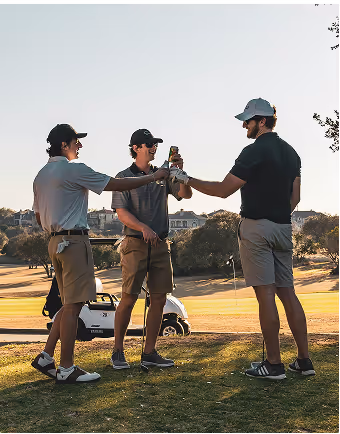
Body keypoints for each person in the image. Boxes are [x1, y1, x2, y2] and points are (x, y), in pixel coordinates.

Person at [170, 98, 315, 380]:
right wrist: (277, 216)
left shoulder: (253, 151)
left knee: (266, 296)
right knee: (288, 293)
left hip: (256, 228)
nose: (243, 125)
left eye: (247, 121)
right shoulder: (292, 153)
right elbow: (295, 198)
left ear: (261, 121)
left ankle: (273, 365)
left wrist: (186, 178)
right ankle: (304, 361)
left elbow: (224, 190)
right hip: (284, 228)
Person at [31, 124, 169, 384]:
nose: (79, 146)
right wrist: (153, 177)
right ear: (64, 144)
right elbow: (115, 184)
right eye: (75, 142)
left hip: (53, 242)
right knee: (74, 306)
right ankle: (67, 367)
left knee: (67, 304)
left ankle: (46, 357)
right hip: (74, 242)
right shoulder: (74, 170)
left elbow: (39, 217)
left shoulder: (41, 175)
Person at [110, 128, 192, 369]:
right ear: (135, 148)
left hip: (160, 245)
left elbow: (185, 195)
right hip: (135, 243)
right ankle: (117, 352)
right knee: (128, 298)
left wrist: (181, 173)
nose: (153, 148)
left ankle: (150, 352)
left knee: (159, 299)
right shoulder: (123, 176)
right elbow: (122, 213)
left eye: (155, 144)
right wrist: (143, 227)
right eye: (148, 144)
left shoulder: (164, 174)